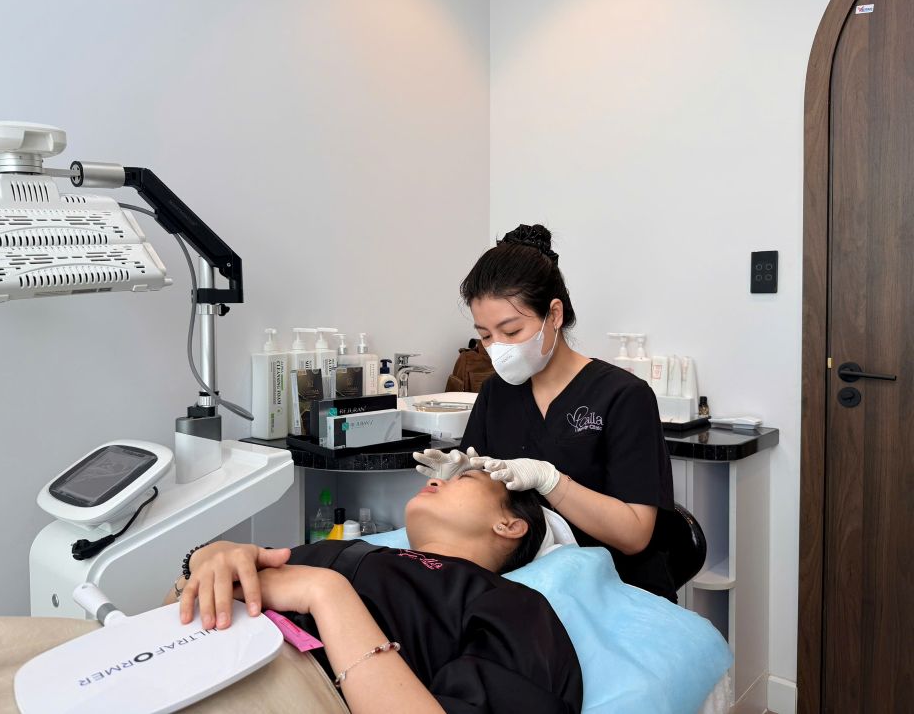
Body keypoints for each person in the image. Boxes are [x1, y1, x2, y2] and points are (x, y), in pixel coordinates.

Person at [166, 469, 583, 714]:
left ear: (509, 525)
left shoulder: (513, 604)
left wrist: (325, 593)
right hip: (174, 674)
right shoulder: (340, 549)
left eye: (465, 477)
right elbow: (172, 613)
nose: (435, 478)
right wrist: (206, 562)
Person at [415, 224, 677, 601]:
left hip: (616, 593)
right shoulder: (496, 394)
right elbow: (489, 506)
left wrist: (550, 481)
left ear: (554, 314)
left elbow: (634, 535)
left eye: (511, 331)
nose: (497, 348)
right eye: (485, 335)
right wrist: (461, 481)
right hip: (531, 588)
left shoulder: (624, 396)